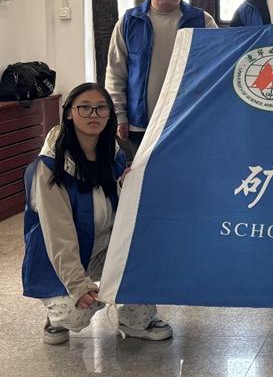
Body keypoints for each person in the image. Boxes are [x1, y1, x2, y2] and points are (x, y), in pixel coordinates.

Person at [22, 83, 173, 345]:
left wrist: (125, 186)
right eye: (85, 107)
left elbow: (119, 209)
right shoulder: (50, 167)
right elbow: (58, 234)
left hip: (103, 245)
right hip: (59, 254)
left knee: (145, 256)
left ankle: (136, 320)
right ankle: (56, 316)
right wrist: (78, 285)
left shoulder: (112, 152)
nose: (94, 114)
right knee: (76, 314)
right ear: (69, 113)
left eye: (101, 108)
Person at [105, 0, 217, 152]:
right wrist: (118, 115)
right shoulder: (129, 22)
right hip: (141, 124)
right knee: (143, 171)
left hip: (188, 120)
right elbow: (116, 73)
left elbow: (217, 69)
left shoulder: (202, 21)